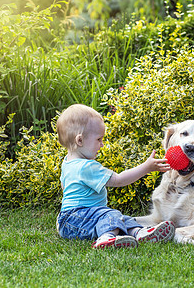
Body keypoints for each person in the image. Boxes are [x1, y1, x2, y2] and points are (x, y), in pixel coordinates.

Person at [55, 104, 175, 249]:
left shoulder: (67, 162)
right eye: (99, 139)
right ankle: (106, 238)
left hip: (69, 220)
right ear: (79, 140)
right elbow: (118, 180)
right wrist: (146, 167)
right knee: (110, 215)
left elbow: (64, 187)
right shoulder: (87, 167)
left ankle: (140, 232)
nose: (102, 144)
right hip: (76, 218)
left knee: (122, 219)